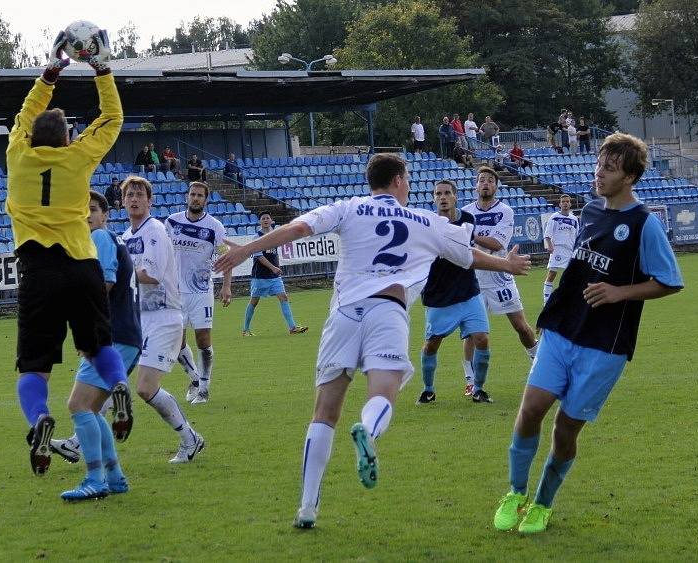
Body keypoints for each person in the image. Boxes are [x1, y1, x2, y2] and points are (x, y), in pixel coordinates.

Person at [214, 153, 531, 529]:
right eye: (408, 178)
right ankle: (368, 429)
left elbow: (298, 230)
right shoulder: (425, 220)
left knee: (325, 410)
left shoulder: (349, 207)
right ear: (398, 180)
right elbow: (468, 256)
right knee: (383, 390)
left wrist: (245, 251)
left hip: (344, 313)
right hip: (388, 310)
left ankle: (307, 507)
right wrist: (507, 265)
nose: (410, 184)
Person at [493, 133, 683, 534]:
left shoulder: (643, 225)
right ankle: (515, 492)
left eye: (609, 169)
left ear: (630, 176)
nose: (599, 173)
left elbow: (670, 281)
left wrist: (620, 292)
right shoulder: (592, 210)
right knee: (529, 411)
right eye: (599, 165)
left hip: (605, 345)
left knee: (565, 428)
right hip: (563, 329)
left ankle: (543, 503)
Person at [5, 29, 131, 477]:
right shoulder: (78, 158)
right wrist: (100, 68)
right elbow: (112, 118)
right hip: (82, 265)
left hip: (37, 270)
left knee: (33, 366)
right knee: (97, 345)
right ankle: (117, 384)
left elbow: (25, 113)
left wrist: (52, 70)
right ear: (66, 139)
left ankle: (39, 418)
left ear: (30, 136)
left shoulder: (17, 155)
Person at [53, 191, 140, 501]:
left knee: (78, 406)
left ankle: (95, 479)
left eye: (92, 209)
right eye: (81, 211)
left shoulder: (101, 238)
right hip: (125, 336)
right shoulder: (110, 240)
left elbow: (103, 286)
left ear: (105, 214)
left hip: (112, 337)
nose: (86, 215)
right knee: (91, 409)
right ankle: (114, 477)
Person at [121, 176, 205, 463]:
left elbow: (151, 275)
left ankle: (190, 438)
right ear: (122, 201)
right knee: (111, 378)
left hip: (164, 316)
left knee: (145, 387)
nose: (134, 198)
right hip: (138, 318)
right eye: (129, 194)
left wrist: (117, 274)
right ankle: (79, 443)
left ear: (149, 201)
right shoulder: (126, 237)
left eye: (139, 194)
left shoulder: (154, 231)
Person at [462, 167, 538, 401]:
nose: (485, 183)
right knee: (472, 334)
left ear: (496, 186)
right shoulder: (465, 212)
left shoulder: (504, 211)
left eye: (490, 181)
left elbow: (496, 244)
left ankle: (538, 362)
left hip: (499, 277)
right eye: (481, 180)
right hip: (473, 279)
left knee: (521, 327)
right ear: (476, 186)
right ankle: (470, 381)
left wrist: (471, 234)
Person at [416, 180, 492, 404]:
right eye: (438, 194)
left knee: (482, 339)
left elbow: (466, 254)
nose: (443, 197)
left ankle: (478, 389)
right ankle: (428, 389)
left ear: (455, 196)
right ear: (433, 198)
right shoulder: (427, 224)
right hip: (439, 296)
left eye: (447, 193)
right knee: (432, 344)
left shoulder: (468, 220)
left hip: (468, 291)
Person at [166, 181, 233, 406]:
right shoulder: (172, 221)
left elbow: (225, 257)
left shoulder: (215, 226)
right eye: (192, 194)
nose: (195, 198)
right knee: (176, 344)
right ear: (187, 196)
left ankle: (204, 389)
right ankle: (195, 378)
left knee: (203, 341)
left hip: (201, 291)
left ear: (206, 199)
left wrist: (226, 286)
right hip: (175, 291)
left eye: (200, 195)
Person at [242, 211, 308, 337]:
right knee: (254, 301)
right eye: (263, 218)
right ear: (260, 222)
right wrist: (273, 267)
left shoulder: (275, 235)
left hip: (274, 276)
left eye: (267, 218)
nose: (265, 220)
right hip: (260, 275)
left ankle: (292, 327)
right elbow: (259, 256)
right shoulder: (257, 237)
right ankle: (245, 330)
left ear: (271, 220)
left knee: (283, 297)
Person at [542, 194, 579, 303]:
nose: (565, 203)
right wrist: (550, 245)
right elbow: (547, 233)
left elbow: (577, 236)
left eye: (567, 201)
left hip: (570, 250)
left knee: (571, 275)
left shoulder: (574, 219)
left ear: (570, 204)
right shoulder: (554, 217)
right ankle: (546, 299)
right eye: (563, 202)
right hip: (557, 248)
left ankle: (568, 297)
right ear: (560, 204)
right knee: (552, 273)